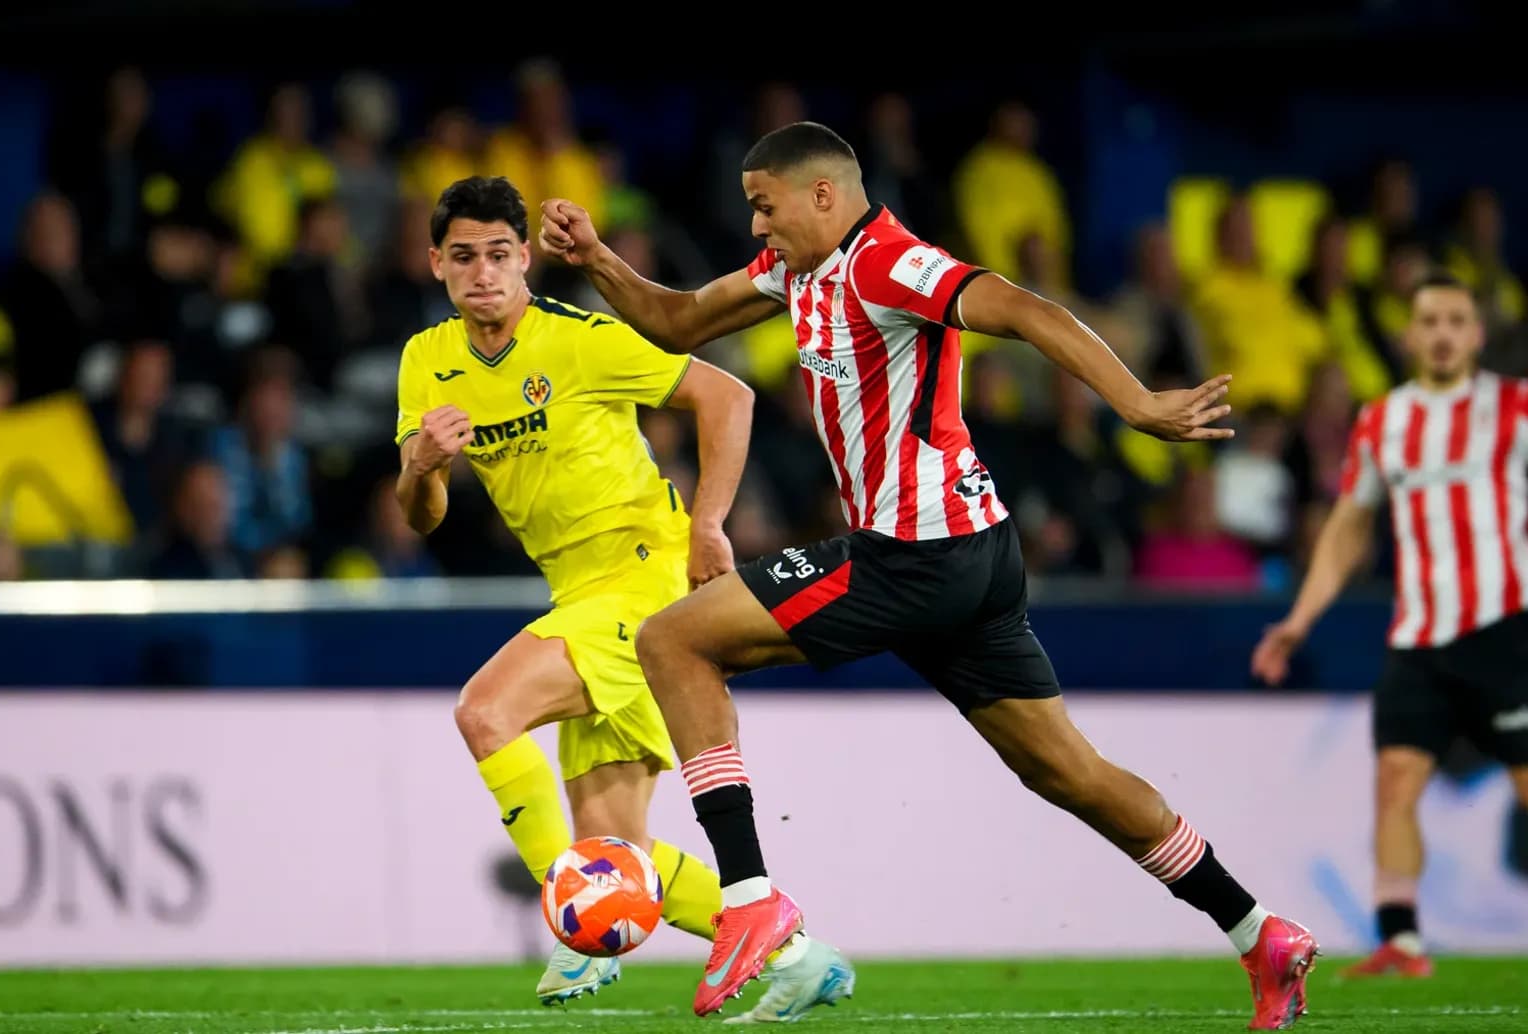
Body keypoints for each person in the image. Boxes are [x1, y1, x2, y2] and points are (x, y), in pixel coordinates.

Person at [540, 122, 1320, 1031]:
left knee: (673, 638)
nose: (756, 226)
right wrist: (597, 257)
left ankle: (749, 897)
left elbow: (1027, 310)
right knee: (1067, 771)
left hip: (917, 553)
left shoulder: (891, 264)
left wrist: (1137, 403)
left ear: (824, 195)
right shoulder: (795, 271)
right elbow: (673, 319)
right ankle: (1259, 932)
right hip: (970, 553)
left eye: (765, 206)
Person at [395, 175, 844, 1013]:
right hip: (576, 591)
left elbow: (728, 395)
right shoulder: (428, 361)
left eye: (499, 254)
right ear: (437, 264)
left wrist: (711, 525)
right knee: (617, 852)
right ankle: (795, 955)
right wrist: (422, 465)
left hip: (644, 575)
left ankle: (571, 937)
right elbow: (420, 517)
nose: (483, 272)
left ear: (524, 259)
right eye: (464, 257)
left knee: (485, 713)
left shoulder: (578, 339)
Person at [1249, 270, 1528, 978]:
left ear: (1478, 334)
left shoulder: (1517, 407)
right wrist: (1300, 618)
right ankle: (1401, 938)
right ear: (1408, 334)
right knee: (1395, 780)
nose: (1441, 334)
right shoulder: (1381, 421)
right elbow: (1348, 525)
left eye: (1456, 321)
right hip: (1417, 639)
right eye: (1428, 321)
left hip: (1504, 635)